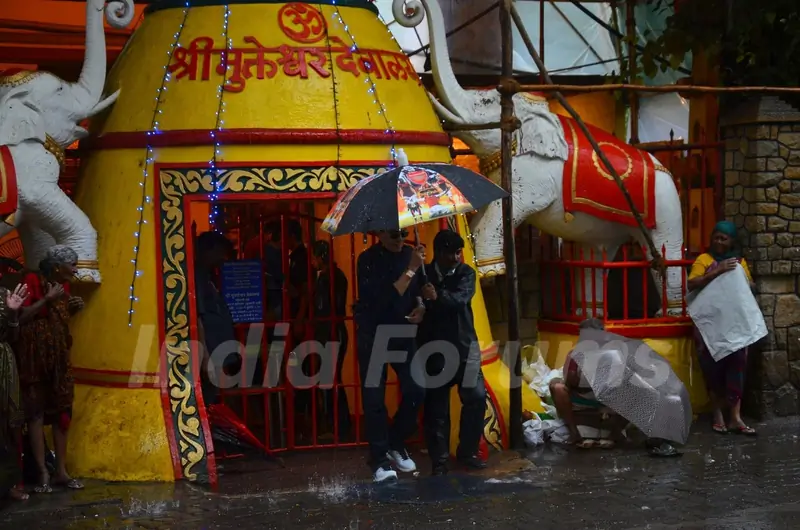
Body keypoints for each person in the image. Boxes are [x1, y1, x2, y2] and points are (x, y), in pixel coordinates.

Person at [354, 228, 426, 482]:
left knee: (417, 389)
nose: (399, 239)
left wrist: (421, 306)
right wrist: (411, 269)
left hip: (401, 331)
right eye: (394, 234)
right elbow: (382, 298)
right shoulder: (367, 260)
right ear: (380, 234)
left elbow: (416, 291)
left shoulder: (411, 254)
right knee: (374, 399)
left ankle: (395, 441)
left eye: (403, 233)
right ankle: (379, 460)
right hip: (373, 332)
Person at [418, 230, 487, 475]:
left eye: (459, 252)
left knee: (477, 398)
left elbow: (461, 299)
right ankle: (440, 460)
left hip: (465, 347)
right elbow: (415, 305)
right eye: (452, 253)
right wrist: (422, 301)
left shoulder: (466, 273)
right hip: (434, 349)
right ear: (439, 253)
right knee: (437, 408)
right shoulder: (423, 274)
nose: (457, 257)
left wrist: (438, 296)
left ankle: (467, 452)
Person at [16, 245, 84, 492]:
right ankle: (43, 472)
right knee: (36, 412)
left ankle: (61, 472)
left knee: (62, 411)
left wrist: (71, 308)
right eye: (72, 265)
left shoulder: (63, 286)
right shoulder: (32, 280)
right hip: (34, 357)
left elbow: (57, 318)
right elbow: (20, 317)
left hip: (58, 357)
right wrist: (47, 299)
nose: (75, 270)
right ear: (57, 266)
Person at [688, 220, 757, 436]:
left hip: (734, 324)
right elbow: (692, 284)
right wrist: (716, 272)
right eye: (716, 237)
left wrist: (741, 277)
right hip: (710, 326)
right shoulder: (703, 260)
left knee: (737, 366)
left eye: (723, 238)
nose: (718, 241)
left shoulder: (738, 262)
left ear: (731, 241)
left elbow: (751, 287)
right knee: (713, 368)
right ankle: (718, 415)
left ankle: (735, 417)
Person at [548, 318, 620, 449]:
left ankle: (613, 435)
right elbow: (570, 382)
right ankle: (576, 433)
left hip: (606, 402)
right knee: (557, 387)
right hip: (585, 401)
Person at [309, 240, 351, 440]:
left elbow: (323, 308)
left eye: (314, 256)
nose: (312, 261)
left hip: (330, 332)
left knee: (329, 379)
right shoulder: (336, 275)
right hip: (336, 330)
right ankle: (340, 426)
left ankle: (337, 427)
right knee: (333, 378)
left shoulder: (327, 278)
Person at [194, 231, 239, 405]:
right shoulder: (197, 276)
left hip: (218, 352)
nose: (223, 259)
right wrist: (205, 357)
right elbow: (197, 318)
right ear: (209, 250)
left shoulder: (207, 275)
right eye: (220, 253)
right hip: (210, 353)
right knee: (209, 401)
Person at [1, 283, 29, 501]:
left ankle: (7, 485)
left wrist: (12, 314)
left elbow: (13, 335)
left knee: (7, 425)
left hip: (3, 365)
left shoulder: (3, 294)